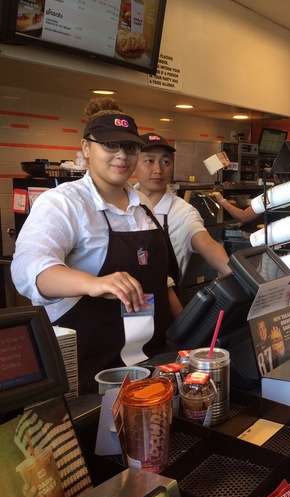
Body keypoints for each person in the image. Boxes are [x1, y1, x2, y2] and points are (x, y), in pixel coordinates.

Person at [11, 98, 182, 394]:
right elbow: (28, 269)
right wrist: (93, 283)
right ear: (86, 148)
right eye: (110, 145)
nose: (122, 156)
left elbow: (157, 284)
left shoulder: (140, 204)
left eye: (129, 148)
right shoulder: (64, 203)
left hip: (148, 361)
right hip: (89, 369)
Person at [133, 132, 231, 284]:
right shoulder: (120, 203)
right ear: (133, 165)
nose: (158, 169)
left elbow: (207, 243)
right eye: (149, 161)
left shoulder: (183, 212)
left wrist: (234, 272)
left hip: (165, 301)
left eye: (165, 162)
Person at [213, 157, 290, 224]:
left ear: (276, 175)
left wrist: (221, 200)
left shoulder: (274, 194)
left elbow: (243, 216)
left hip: (273, 244)